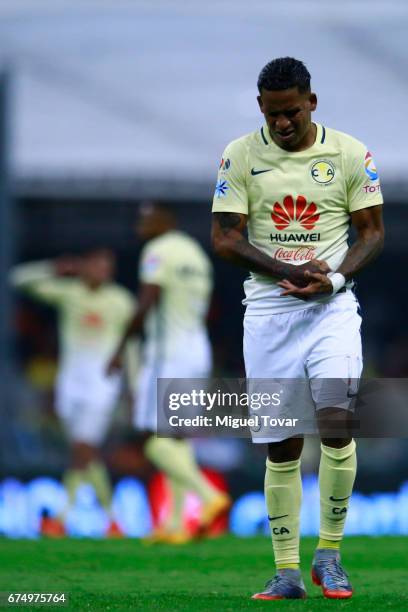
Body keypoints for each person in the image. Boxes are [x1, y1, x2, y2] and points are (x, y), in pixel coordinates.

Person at [211, 57, 384, 600]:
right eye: (271, 114)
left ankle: (329, 557)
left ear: (311, 101)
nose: (281, 124)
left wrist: (331, 280)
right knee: (282, 447)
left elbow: (373, 233)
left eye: (290, 112)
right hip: (267, 316)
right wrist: (289, 271)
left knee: (337, 423)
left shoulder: (350, 154)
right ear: (260, 106)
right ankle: (287, 571)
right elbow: (224, 238)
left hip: (331, 309)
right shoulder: (240, 155)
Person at [107, 201, 231, 543]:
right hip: (196, 350)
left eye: (145, 221)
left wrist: (119, 350)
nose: (140, 229)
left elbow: (146, 301)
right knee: (176, 438)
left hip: (168, 354)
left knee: (151, 441)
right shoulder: (195, 254)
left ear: (165, 221)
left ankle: (207, 495)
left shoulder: (158, 251)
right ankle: (175, 523)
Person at [11, 248, 137, 536]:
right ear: (85, 266)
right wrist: (54, 266)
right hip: (70, 383)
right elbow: (18, 280)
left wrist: (134, 383)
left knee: (84, 448)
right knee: (82, 453)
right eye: (97, 265)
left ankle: (63, 518)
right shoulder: (69, 293)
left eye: (107, 266)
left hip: (102, 383)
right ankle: (112, 521)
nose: (103, 271)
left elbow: (130, 345)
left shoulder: (120, 301)